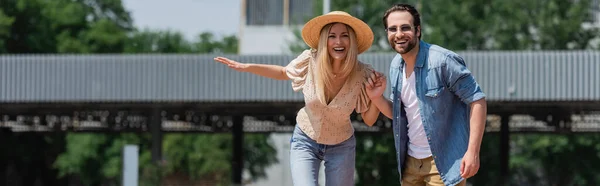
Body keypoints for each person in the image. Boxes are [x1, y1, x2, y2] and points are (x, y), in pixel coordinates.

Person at [214, 11, 382, 186]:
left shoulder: (363, 74)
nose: (338, 42)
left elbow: (369, 120)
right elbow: (282, 72)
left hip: (341, 145)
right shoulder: (310, 60)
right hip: (305, 140)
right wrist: (247, 66)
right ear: (325, 40)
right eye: (332, 36)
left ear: (352, 40)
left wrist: (376, 97)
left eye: (344, 36)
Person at [365, 3, 488, 186]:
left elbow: (477, 100)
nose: (399, 34)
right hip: (411, 163)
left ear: (418, 31)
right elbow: (401, 114)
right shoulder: (395, 66)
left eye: (405, 28)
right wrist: (376, 97)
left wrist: (472, 152)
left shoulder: (442, 61)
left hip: (444, 162)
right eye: (393, 29)